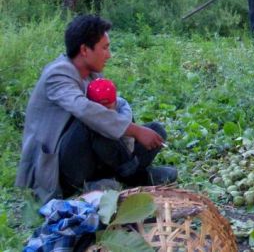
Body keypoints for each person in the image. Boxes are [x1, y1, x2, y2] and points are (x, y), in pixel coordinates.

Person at [15, 15, 176, 202]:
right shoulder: (58, 74)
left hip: (90, 155)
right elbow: (87, 112)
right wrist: (135, 131)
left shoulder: (92, 72)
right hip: (61, 167)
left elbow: (110, 112)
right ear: (84, 50)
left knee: (155, 130)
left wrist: (133, 128)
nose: (109, 55)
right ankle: (134, 176)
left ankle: (113, 179)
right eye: (105, 48)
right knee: (93, 120)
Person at [87, 78, 135, 155]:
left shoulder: (123, 112)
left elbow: (128, 143)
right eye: (99, 109)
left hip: (124, 152)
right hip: (98, 158)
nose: (105, 113)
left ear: (115, 103)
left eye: (108, 108)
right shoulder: (85, 114)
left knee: (157, 128)